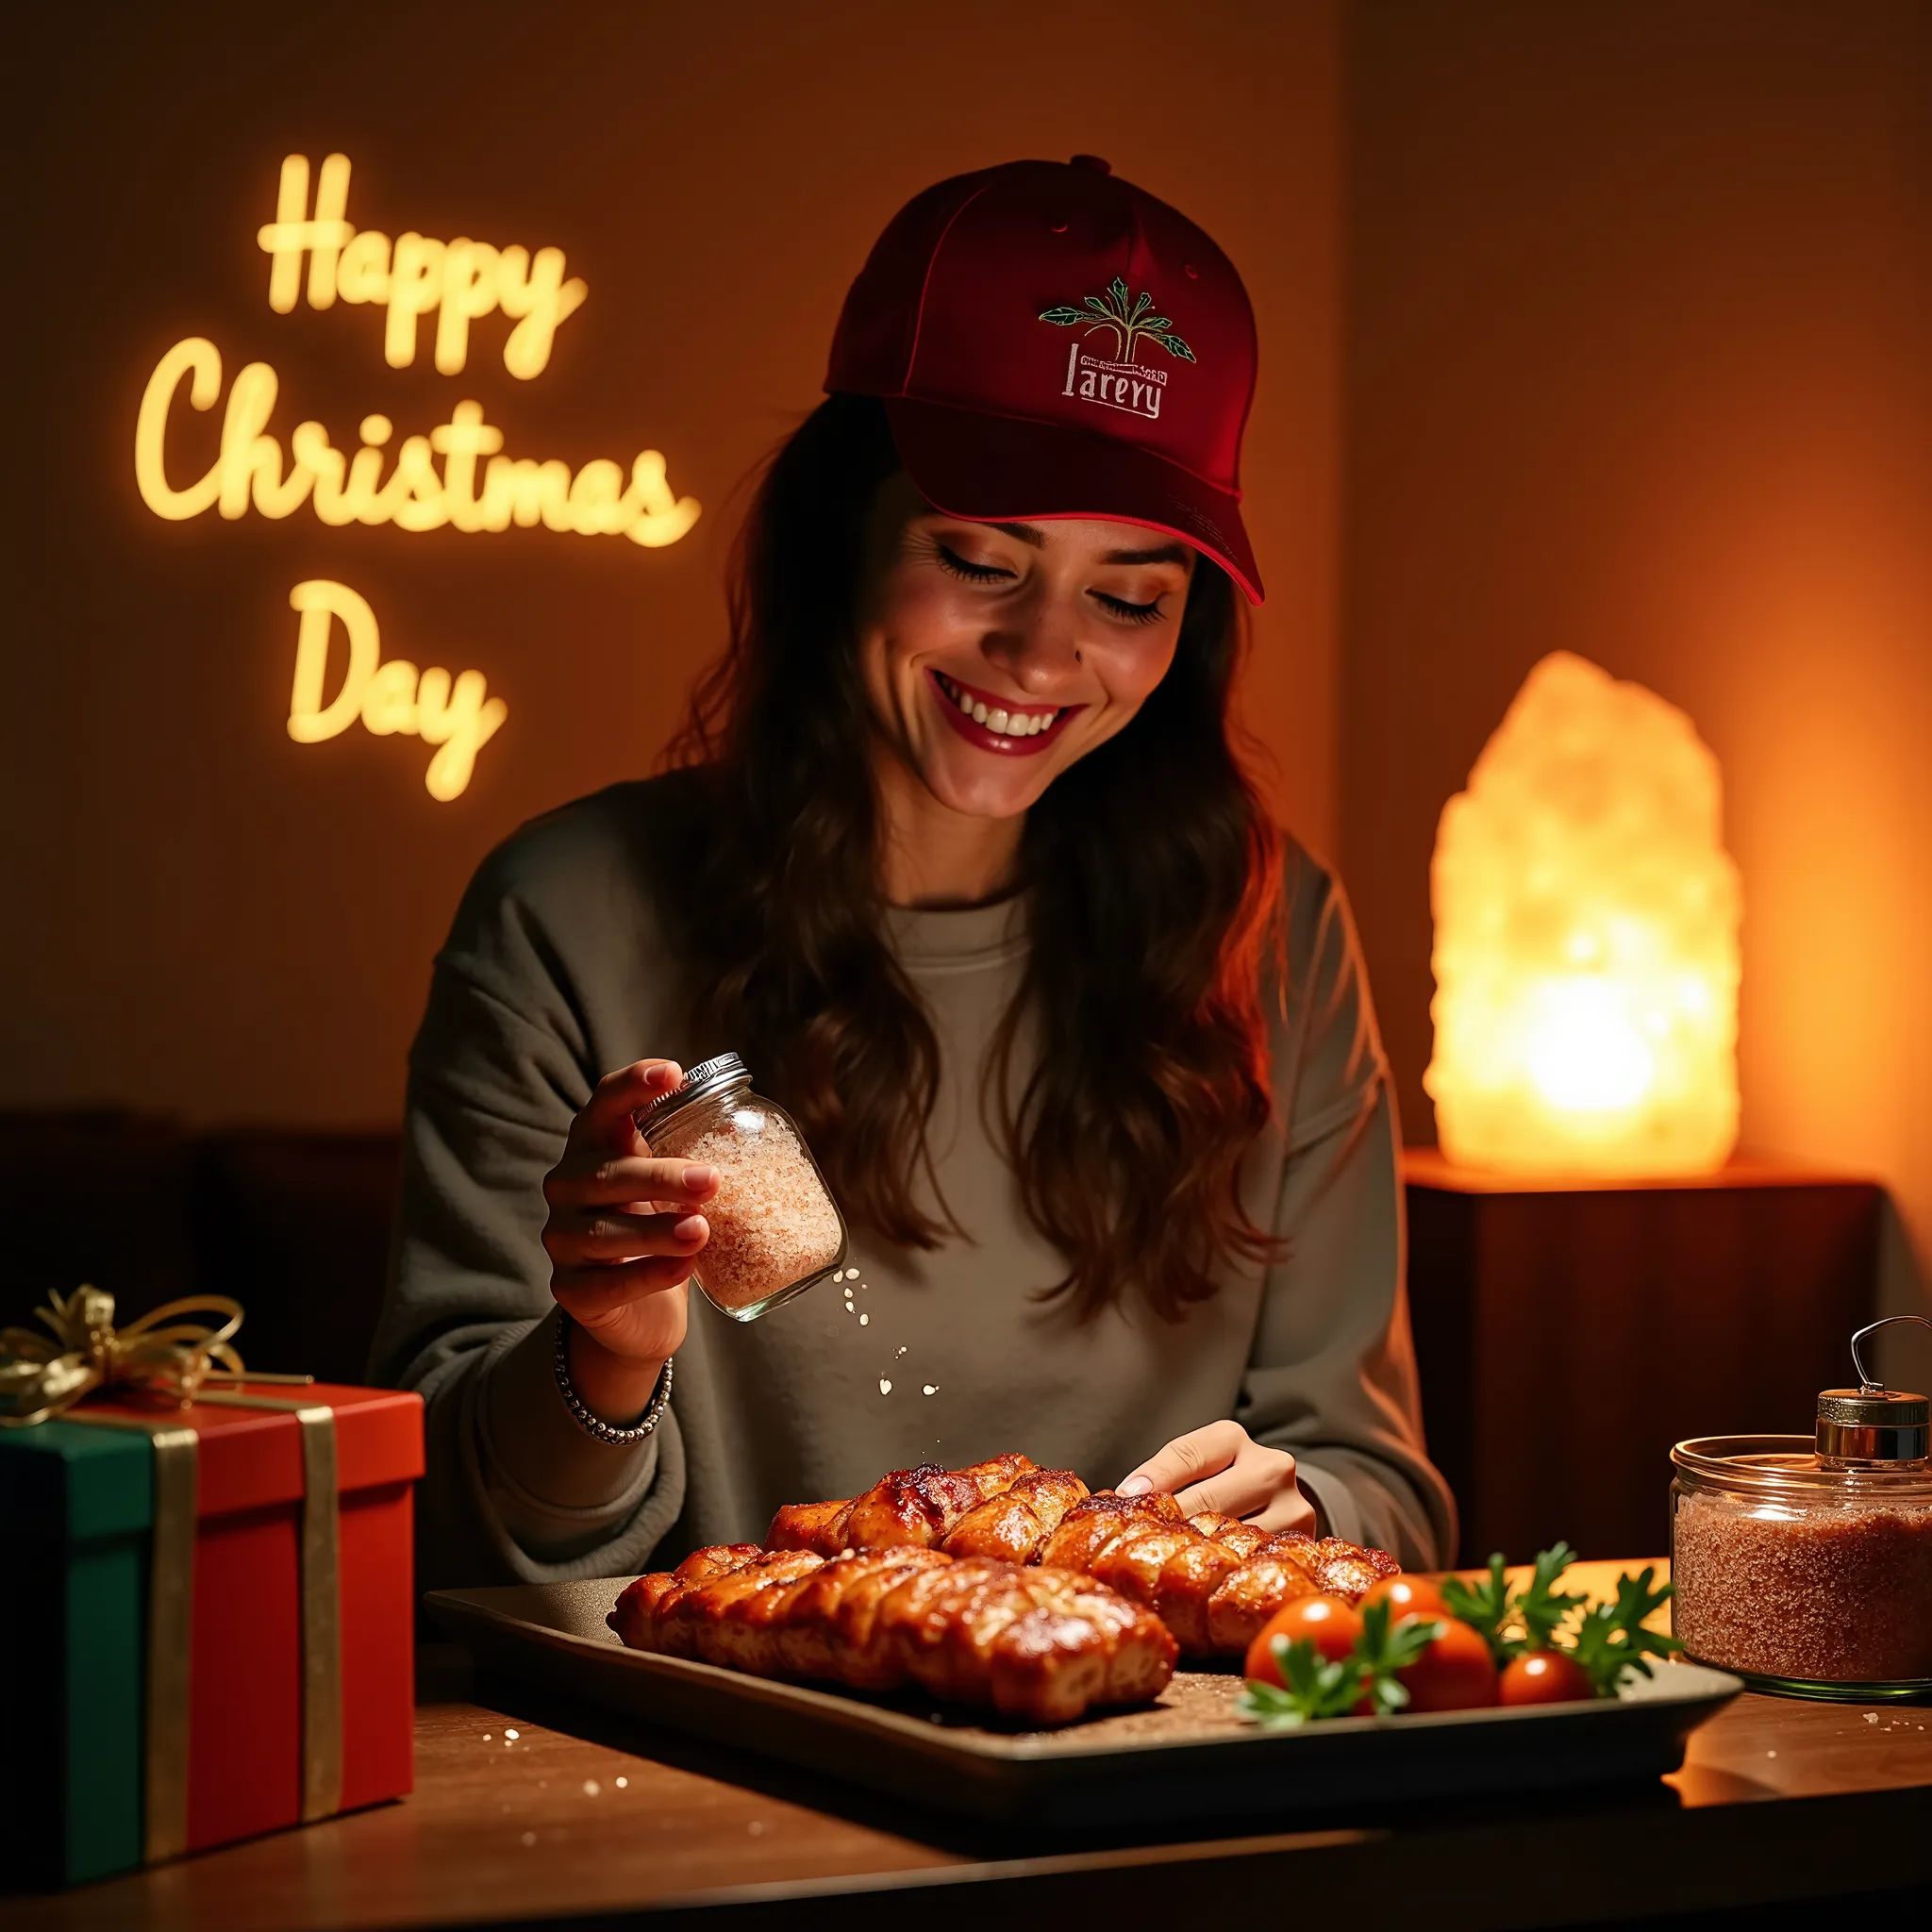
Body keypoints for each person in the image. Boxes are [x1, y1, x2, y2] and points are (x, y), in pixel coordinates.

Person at [371, 156, 1456, 1591]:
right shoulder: (566, 917)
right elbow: (459, 1539)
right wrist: (603, 1356)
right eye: (981, 560)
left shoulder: (1276, 931)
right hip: (716, 1759)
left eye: (1128, 596)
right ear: (839, 539)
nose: (1044, 657)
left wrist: (1306, 1508)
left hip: (1150, 1760)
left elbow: (1385, 1489)